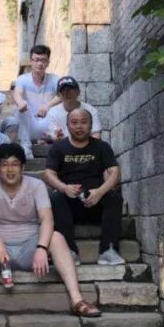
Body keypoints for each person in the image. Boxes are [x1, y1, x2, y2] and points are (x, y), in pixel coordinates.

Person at [0, 143, 100, 317]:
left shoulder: (36, 185)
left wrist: (41, 248)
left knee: (57, 238)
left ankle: (77, 300)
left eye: (15, 164)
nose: (10, 170)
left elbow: (47, 219)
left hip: (30, 248)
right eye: (4, 165)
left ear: (23, 167)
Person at [43, 107, 124, 266]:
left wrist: (100, 192)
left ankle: (108, 251)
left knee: (114, 197)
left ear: (91, 125)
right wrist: (64, 188)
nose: (79, 126)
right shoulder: (58, 148)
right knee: (56, 197)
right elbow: (47, 174)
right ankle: (68, 251)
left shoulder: (102, 147)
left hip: (95, 202)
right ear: (67, 125)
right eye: (74, 122)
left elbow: (115, 172)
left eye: (83, 122)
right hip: (69, 206)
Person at [12, 45, 60, 160]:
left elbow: (62, 95)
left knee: (63, 108)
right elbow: (17, 93)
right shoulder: (23, 79)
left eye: (43, 60)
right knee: (19, 108)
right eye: (36, 60)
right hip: (29, 125)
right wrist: (20, 102)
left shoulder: (55, 79)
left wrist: (48, 105)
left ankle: (60, 146)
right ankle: (26, 147)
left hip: (49, 126)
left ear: (48, 62)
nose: (40, 63)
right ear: (31, 61)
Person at [45, 76, 102, 141]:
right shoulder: (52, 113)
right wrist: (56, 136)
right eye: (63, 90)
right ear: (58, 95)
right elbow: (51, 136)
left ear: (78, 92)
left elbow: (96, 135)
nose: (67, 93)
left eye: (70, 89)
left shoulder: (90, 110)